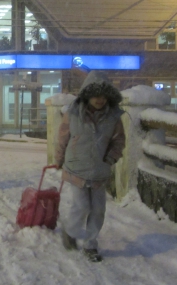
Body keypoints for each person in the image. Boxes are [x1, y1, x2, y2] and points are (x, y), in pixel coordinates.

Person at [55, 71, 126, 263]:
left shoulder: (113, 117)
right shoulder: (73, 114)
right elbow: (63, 137)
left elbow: (119, 140)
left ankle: (90, 245)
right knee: (82, 205)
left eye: (103, 96)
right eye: (95, 95)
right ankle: (70, 232)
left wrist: (111, 158)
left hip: (99, 170)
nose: (99, 100)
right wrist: (58, 158)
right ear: (87, 95)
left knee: (98, 210)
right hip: (76, 168)